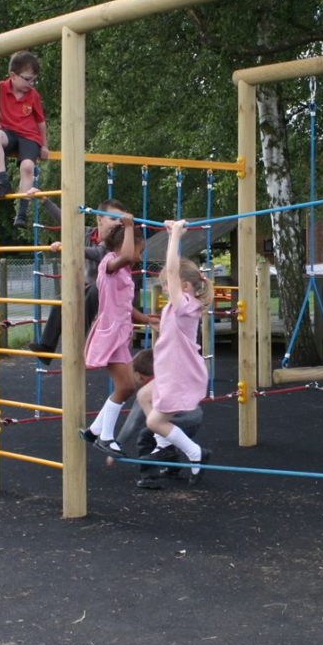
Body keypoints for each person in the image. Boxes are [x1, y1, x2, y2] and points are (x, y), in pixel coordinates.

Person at [135, 219, 212, 485]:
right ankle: (164, 447)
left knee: (155, 421)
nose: (165, 288)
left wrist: (175, 237)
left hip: (181, 375)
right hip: (171, 372)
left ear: (185, 287)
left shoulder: (185, 304)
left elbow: (171, 268)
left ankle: (195, 453)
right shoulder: (175, 308)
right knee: (144, 395)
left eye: (168, 284)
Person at [27, 197, 139, 361]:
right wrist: (45, 201)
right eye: (113, 219)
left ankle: (81, 339)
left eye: (120, 222)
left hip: (108, 292)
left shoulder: (114, 243)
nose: (117, 224)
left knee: (94, 289)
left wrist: (68, 246)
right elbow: (65, 220)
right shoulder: (87, 233)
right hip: (87, 289)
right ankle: (46, 346)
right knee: (61, 300)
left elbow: (99, 254)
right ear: (99, 219)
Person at [81, 213, 144, 457]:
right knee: (126, 386)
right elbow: (127, 255)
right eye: (139, 250)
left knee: (128, 386)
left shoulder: (124, 273)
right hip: (109, 335)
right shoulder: (108, 263)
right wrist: (129, 227)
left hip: (119, 334)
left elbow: (125, 307)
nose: (138, 256)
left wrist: (146, 319)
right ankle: (105, 438)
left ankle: (94, 430)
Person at [0, 50, 49, 229]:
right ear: (13, 76)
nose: (31, 83)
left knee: (27, 167)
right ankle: (2, 180)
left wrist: (44, 145)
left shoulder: (33, 95)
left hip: (29, 137)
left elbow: (41, 122)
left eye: (34, 80)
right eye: (28, 79)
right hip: (9, 134)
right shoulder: (0, 88)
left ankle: (21, 213)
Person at [115, 348, 204, 489]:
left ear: (139, 375)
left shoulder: (148, 391)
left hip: (181, 421)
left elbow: (132, 423)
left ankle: (149, 477)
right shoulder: (168, 379)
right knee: (165, 436)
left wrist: (116, 445)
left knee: (147, 436)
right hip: (195, 418)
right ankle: (172, 468)